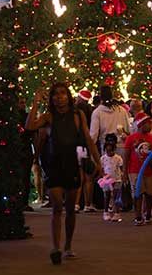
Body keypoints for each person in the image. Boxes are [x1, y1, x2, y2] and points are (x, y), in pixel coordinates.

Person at [26, 83, 100, 264]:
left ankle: (67, 245)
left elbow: (88, 138)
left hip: (72, 165)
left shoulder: (77, 115)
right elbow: (29, 126)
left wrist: (98, 161)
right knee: (57, 205)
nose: (59, 97)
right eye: (55, 94)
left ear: (68, 96)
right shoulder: (49, 116)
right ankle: (55, 247)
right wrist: (35, 103)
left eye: (62, 94)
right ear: (51, 98)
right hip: (54, 165)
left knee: (70, 209)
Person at [124, 112, 152, 226]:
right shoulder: (131, 138)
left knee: (149, 193)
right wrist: (125, 172)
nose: (150, 125)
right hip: (134, 170)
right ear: (141, 124)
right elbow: (126, 155)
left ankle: (148, 213)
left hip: (149, 171)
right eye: (147, 123)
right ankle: (138, 216)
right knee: (137, 193)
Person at [75, 89, 96, 213]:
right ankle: (88, 204)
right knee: (88, 175)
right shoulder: (91, 111)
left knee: (79, 175)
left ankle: (76, 203)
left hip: (76, 145)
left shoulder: (75, 111)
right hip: (86, 145)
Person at [99, 133, 124, 222]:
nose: (109, 152)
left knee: (116, 196)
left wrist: (123, 177)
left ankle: (117, 213)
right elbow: (101, 169)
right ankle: (106, 212)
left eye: (111, 150)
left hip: (117, 179)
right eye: (107, 150)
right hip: (107, 180)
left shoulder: (118, 158)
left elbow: (121, 169)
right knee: (107, 195)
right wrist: (103, 175)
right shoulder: (103, 158)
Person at [17, 96, 35, 212]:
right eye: (20, 102)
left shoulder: (27, 117)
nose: (22, 105)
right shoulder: (13, 118)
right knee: (20, 176)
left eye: (23, 102)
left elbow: (34, 134)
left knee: (25, 176)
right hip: (17, 149)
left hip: (26, 148)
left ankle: (24, 201)